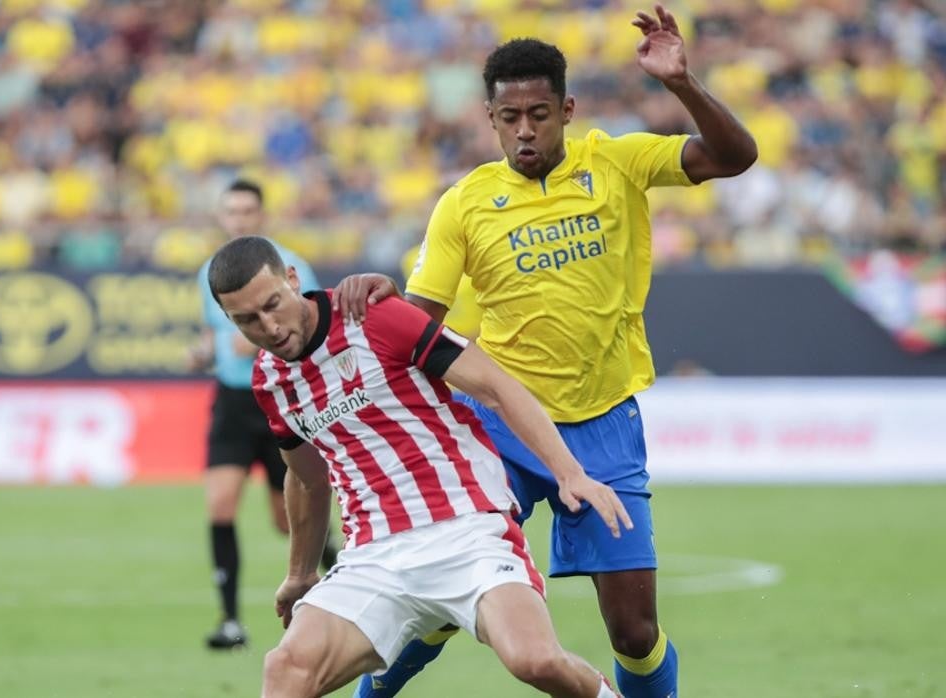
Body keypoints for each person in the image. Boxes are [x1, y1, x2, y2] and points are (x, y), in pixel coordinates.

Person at [335, 7, 758, 697]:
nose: (525, 129)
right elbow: (421, 323)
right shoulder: (464, 203)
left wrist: (683, 85)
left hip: (602, 423)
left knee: (635, 632)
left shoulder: (617, 162)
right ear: (490, 117)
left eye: (538, 113)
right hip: (497, 426)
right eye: (510, 118)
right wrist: (383, 301)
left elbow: (735, 157)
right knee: (443, 597)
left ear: (566, 109)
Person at [208, 235, 633, 698]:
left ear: (292, 280)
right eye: (246, 320)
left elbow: (495, 387)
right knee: (285, 669)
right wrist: (300, 573)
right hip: (375, 556)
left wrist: (568, 472)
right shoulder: (270, 380)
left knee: (535, 660)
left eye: (273, 304)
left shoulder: (371, 314)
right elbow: (308, 479)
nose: (268, 326)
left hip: (467, 530)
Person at [188, 179, 340, 650]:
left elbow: (316, 328)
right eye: (231, 212)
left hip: (280, 400)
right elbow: (214, 334)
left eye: (247, 211)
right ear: (221, 218)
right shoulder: (209, 273)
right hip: (232, 400)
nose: (239, 220)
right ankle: (230, 621)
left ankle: (340, 576)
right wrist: (204, 350)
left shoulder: (289, 265)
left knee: (287, 520)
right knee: (220, 505)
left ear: (261, 216)